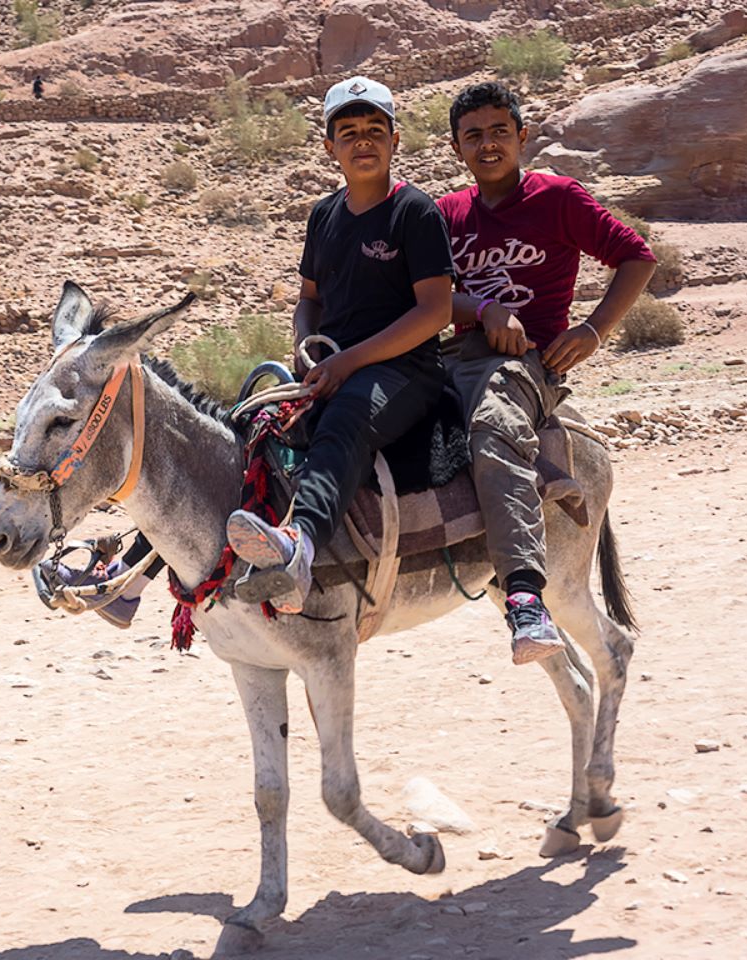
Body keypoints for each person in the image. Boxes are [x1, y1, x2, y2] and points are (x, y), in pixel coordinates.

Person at [436, 81, 656, 664]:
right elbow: (426, 296)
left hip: (526, 363)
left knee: (493, 423)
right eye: (473, 135)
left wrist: (593, 329)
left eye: (499, 132)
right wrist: (482, 310)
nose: (488, 145)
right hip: (453, 355)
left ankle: (526, 596)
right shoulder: (447, 214)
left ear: (522, 136)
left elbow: (637, 256)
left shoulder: (558, 198)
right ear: (457, 147)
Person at [224, 76, 455, 612]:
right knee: (242, 427)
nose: (362, 140)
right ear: (330, 147)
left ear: (395, 140)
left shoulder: (415, 212)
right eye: (348, 132)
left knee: (345, 419)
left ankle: (299, 548)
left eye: (375, 129)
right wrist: (308, 348)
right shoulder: (323, 216)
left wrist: (349, 362)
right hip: (336, 364)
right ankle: (138, 574)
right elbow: (309, 299)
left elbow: (436, 312)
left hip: (406, 371)